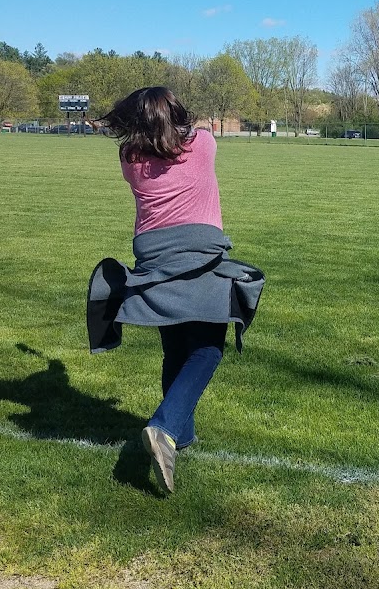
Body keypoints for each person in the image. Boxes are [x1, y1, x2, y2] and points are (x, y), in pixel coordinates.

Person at [87, 87, 264, 494]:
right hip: (199, 253)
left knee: (175, 349)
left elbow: (155, 140)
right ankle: (165, 428)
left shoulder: (130, 159)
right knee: (207, 349)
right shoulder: (202, 145)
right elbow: (195, 130)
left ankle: (181, 434)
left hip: (153, 258)